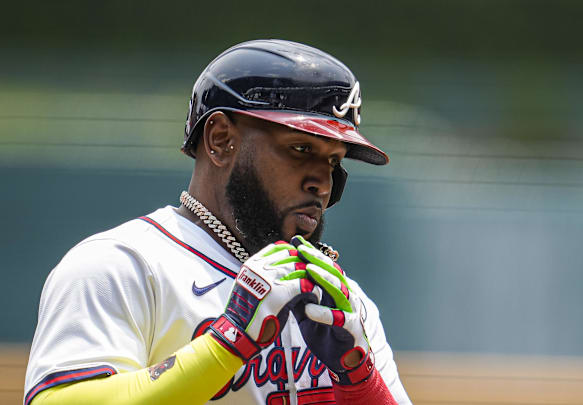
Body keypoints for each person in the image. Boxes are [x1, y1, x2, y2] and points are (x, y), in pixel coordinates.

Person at [24, 39, 411, 405]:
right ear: (220, 139)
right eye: (301, 148)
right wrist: (224, 344)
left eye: (333, 161)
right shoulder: (123, 266)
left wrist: (361, 380)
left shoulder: (347, 303)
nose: (322, 182)